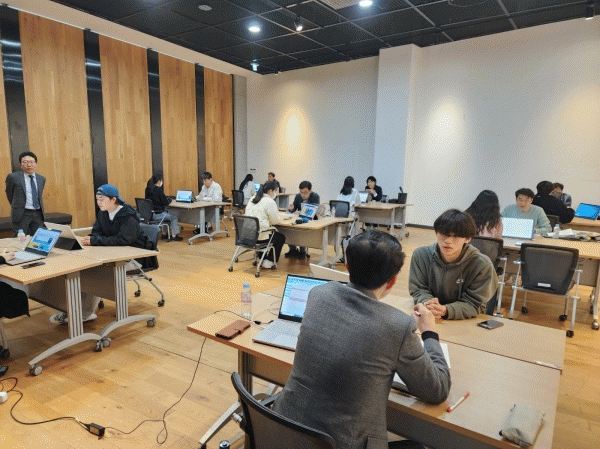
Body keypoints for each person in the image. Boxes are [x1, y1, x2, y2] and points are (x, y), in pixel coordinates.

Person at [273, 230, 450, 449]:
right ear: (392, 281)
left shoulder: (318, 293)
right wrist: (429, 333)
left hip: (282, 431)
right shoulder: (397, 326)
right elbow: (437, 390)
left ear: (347, 266)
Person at [50, 184, 149, 325]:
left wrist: (95, 240)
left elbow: (123, 240)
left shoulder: (128, 216)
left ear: (113, 199)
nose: (99, 203)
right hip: (111, 255)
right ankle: (75, 309)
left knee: (96, 272)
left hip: (134, 258)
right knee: (84, 269)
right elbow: (97, 231)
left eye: (102, 199)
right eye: (97, 199)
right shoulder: (103, 213)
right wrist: (92, 238)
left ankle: (85, 313)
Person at [409, 209, 498, 320]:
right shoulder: (421, 255)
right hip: (430, 316)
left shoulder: (482, 265)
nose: (448, 240)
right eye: (444, 234)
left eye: (455, 236)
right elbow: (418, 290)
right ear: (436, 232)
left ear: (468, 238)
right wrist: (429, 303)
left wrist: (446, 310)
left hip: (465, 320)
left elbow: (473, 303)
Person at [244, 181, 286, 269]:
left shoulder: (252, 198)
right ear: (270, 191)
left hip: (248, 235)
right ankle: (269, 262)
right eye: (275, 191)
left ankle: (261, 258)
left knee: (262, 230)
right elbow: (275, 221)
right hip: (259, 237)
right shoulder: (270, 201)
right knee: (280, 237)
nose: (275, 193)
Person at [5, 151, 46, 236]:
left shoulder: (41, 179)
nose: (29, 165)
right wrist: (17, 206)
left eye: (31, 162)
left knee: (37, 238)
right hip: (22, 214)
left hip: (38, 214)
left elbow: (39, 195)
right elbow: (9, 194)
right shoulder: (13, 177)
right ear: (21, 165)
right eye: (25, 162)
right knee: (20, 238)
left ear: (36, 164)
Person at [286, 180, 320, 259]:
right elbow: (294, 209)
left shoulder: (315, 196)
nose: (303, 195)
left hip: (309, 221)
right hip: (300, 219)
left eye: (305, 193)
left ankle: (302, 250)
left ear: (310, 190)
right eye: (301, 192)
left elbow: (315, 211)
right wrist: (291, 208)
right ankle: (292, 249)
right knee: (289, 228)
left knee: (303, 231)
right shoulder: (298, 196)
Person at [144, 174, 183, 241]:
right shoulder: (158, 190)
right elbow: (165, 202)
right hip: (157, 214)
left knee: (166, 215)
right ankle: (174, 236)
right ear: (159, 181)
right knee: (173, 217)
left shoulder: (147, 189)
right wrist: (170, 200)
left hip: (149, 214)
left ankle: (165, 234)